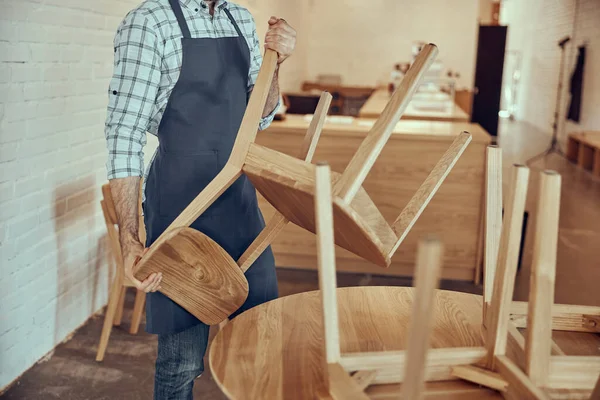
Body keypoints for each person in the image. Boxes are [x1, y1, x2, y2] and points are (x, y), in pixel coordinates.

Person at [103, 0, 296, 398]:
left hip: (238, 199)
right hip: (180, 205)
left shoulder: (239, 18)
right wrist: (130, 239)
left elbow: (258, 116)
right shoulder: (149, 22)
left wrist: (275, 65)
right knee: (183, 360)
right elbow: (124, 134)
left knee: (261, 338)